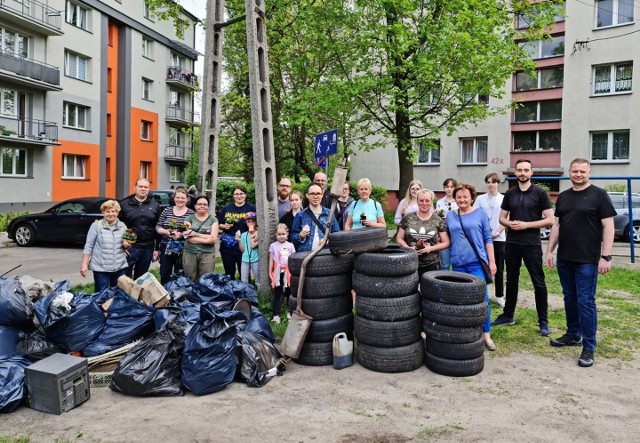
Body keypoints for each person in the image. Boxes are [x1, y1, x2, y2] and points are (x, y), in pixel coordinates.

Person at [545, 159, 616, 368]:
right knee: (570, 298)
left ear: (589, 172)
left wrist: (606, 256)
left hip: (587, 260)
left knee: (586, 301)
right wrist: (549, 251)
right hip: (565, 258)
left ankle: (589, 346)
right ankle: (573, 334)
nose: (578, 174)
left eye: (582, 171)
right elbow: (557, 226)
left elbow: (608, 227)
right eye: (574, 171)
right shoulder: (564, 196)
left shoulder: (599, 195)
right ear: (569, 172)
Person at [493, 159, 554, 336]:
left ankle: (543, 321)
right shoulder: (510, 193)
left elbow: (550, 220)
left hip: (531, 244)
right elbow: (502, 218)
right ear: (515, 172)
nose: (522, 173)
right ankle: (508, 315)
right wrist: (510, 223)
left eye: (526, 170)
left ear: (531, 173)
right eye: (519, 170)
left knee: (539, 283)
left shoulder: (541, 193)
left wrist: (526, 225)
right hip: (512, 243)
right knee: (511, 280)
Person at [446, 184, 497, 351]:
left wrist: (492, 262)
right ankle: (466, 331)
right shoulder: (450, 216)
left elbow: (488, 238)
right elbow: (445, 239)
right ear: (455, 198)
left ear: (472, 197)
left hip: (476, 263)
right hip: (458, 264)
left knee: (483, 299)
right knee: (460, 300)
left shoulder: (480, 213)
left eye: (465, 196)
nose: (462, 199)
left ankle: (486, 334)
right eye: (459, 197)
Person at [397, 189, 449, 276]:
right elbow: (399, 238)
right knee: (410, 289)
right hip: (410, 262)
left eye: (427, 200)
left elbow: (446, 242)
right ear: (417, 202)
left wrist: (431, 248)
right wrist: (408, 249)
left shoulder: (438, 220)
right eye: (421, 200)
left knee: (429, 289)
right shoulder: (408, 218)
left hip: (431, 264)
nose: (424, 203)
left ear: (431, 202)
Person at [80, 200, 129, 292]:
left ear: (117, 212)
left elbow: (126, 244)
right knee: (101, 296)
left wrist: (126, 245)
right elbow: (88, 246)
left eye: (113, 211)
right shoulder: (96, 226)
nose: (111, 214)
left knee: (117, 295)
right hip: (101, 268)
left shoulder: (123, 226)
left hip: (119, 267)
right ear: (103, 212)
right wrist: (84, 264)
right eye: (107, 211)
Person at [474, 173, 506, 308]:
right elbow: (474, 215)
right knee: (481, 266)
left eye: (493, 182)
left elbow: (507, 218)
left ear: (498, 183)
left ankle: (499, 296)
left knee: (498, 268)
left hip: (499, 238)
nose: (490, 184)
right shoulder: (480, 199)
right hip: (482, 238)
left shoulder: (504, 198)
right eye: (488, 182)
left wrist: (498, 232)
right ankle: (480, 293)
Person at [119, 178, 161, 279]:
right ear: (135, 188)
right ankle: (125, 295)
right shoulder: (124, 204)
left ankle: (137, 295)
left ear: (148, 189)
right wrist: (121, 245)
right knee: (125, 278)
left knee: (141, 278)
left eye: (145, 187)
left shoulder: (155, 205)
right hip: (130, 247)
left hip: (147, 247)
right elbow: (118, 227)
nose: (143, 189)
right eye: (140, 186)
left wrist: (157, 249)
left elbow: (158, 227)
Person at [155, 187, 194, 284]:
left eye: (182, 198)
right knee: (164, 274)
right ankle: (165, 296)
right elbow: (158, 227)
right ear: (174, 198)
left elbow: (192, 231)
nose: (180, 200)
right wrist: (166, 232)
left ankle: (177, 296)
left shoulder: (191, 213)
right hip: (166, 246)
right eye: (178, 197)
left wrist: (181, 235)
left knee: (180, 274)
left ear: (187, 199)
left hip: (183, 248)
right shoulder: (166, 210)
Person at [219, 185, 256, 279]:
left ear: (246, 195)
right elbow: (219, 224)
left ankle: (244, 290)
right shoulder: (226, 208)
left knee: (244, 273)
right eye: (236, 194)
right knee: (229, 272)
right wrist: (224, 226)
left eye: (241, 193)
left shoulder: (251, 208)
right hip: (228, 246)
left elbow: (257, 224)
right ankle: (230, 290)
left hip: (244, 245)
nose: (239, 196)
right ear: (233, 195)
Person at [291, 184, 340, 252]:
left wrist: (328, 240)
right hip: (305, 256)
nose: (315, 196)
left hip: (325, 254)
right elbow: (292, 239)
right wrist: (300, 236)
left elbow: (337, 235)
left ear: (322, 195)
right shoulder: (300, 215)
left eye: (318, 193)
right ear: (307, 195)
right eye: (312, 194)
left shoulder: (330, 214)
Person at [182, 195, 219, 282]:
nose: (202, 206)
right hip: (190, 253)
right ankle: (191, 295)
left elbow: (213, 239)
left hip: (207, 254)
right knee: (190, 279)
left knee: (206, 280)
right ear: (195, 206)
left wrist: (195, 234)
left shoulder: (214, 220)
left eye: (205, 204)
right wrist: (207, 239)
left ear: (208, 207)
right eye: (199, 204)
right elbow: (188, 237)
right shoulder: (188, 219)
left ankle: (203, 295)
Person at [269, 223, 296, 324]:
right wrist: (270, 273)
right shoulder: (273, 246)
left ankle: (290, 312)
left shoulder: (290, 245)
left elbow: (293, 259)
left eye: (283, 234)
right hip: (278, 272)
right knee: (277, 293)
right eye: (279, 234)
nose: (281, 236)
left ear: (287, 233)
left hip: (288, 272)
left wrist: (293, 272)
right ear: (276, 234)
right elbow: (271, 260)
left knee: (289, 293)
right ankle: (275, 315)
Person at [435, 178, 458, 270]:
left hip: (456, 234)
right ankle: (444, 282)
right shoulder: (440, 202)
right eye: (447, 187)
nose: (449, 189)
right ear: (444, 188)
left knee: (457, 263)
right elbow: (437, 219)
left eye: (452, 187)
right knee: (445, 264)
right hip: (443, 233)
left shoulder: (458, 201)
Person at [238, 212, 260, 286]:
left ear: (256, 222)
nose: (251, 223)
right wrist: (239, 241)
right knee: (244, 280)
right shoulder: (244, 235)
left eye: (253, 221)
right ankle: (245, 295)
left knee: (258, 280)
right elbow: (242, 250)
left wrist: (253, 232)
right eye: (248, 222)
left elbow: (253, 246)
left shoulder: (258, 233)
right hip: (245, 260)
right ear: (246, 223)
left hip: (255, 260)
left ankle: (261, 295)